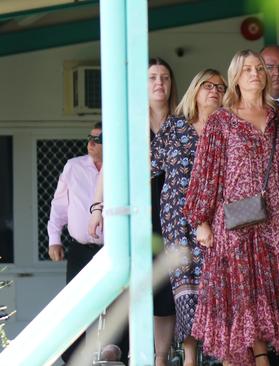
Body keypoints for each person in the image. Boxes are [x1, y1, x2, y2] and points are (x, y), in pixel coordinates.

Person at [183, 49, 279, 366]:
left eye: (259, 68)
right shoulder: (221, 121)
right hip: (236, 222)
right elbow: (206, 173)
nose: (256, 73)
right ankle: (259, 357)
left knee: (272, 295)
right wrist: (201, 221)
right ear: (235, 77)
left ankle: (261, 354)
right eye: (248, 69)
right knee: (242, 293)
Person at [89, 57, 179, 366]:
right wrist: (97, 207)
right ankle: (125, 350)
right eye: (152, 77)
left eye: (164, 77)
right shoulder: (130, 123)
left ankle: (161, 357)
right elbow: (109, 168)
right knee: (133, 283)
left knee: (165, 291)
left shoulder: (179, 121)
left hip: (172, 214)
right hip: (137, 211)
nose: (159, 83)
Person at [151, 68, 226, 366]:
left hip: (215, 218)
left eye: (220, 87)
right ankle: (190, 358)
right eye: (207, 85)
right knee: (184, 288)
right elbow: (148, 165)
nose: (214, 91)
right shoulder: (174, 126)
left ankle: (222, 355)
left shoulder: (225, 129)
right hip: (176, 220)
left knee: (215, 286)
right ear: (195, 90)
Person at [48, 123, 103, 363]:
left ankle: (116, 356)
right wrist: (54, 239)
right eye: (89, 138)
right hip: (81, 249)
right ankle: (73, 361)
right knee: (76, 307)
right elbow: (59, 205)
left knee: (115, 307)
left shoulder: (122, 166)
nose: (90, 143)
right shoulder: (73, 166)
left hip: (114, 250)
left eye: (98, 140)